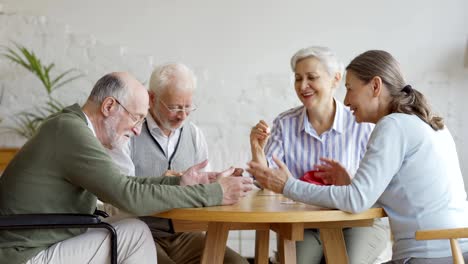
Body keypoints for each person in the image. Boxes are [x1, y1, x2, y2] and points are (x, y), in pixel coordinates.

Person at [0, 72, 253, 264]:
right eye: (136, 118)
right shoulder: (70, 132)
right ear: (109, 106)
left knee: (130, 229)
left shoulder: (72, 127)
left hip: (40, 241)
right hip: (24, 254)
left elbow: (124, 185)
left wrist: (181, 182)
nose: (137, 129)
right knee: (135, 232)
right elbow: (127, 195)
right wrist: (216, 193)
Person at [247, 50, 468, 263]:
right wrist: (351, 184)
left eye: (350, 89)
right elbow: (400, 194)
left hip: (426, 255)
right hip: (456, 251)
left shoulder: (393, 125)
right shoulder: (428, 122)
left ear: (375, 86)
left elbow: (356, 200)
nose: (346, 100)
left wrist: (288, 186)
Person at [250, 46, 389, 264]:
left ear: (335, 79)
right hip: (305, 224)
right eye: (298, 78)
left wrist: (348, 181)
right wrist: (257, 149)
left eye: (311, 77)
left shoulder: (363, 123)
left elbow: (379, 189)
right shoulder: (285, 124)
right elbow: (266, 181)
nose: (303, 86)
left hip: (358, 220)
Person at [107, 63, 248, 264]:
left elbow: (203, 194)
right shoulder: (129, 132)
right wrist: (164, 183)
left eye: (187, 106)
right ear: (152, 98)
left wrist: (216, 182)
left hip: (185, 233)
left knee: (238, 263)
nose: (182, 115)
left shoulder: (194, 134)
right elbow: (118, 193)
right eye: (174, 107)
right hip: (139, 231)